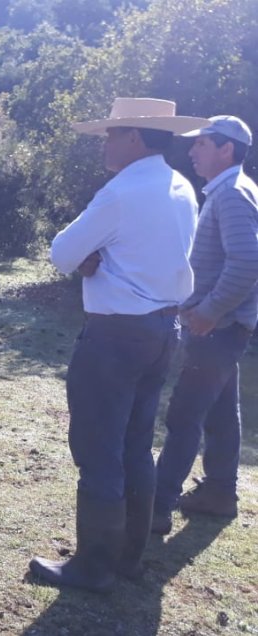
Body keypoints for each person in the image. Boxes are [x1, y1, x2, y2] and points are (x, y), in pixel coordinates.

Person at [29, 98, 209, 592]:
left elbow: (62, 252)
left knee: (98, 449)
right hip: (162, 331)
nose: (105, 144)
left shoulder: (122, 190)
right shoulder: (181, 187)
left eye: (111, 134)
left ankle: (93, 566)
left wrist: (93, 257)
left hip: (114, 336)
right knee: (135, 445)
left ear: (133, 136)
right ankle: (129, 557)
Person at [152, 116, 258, 534]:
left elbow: (249, 261)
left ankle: (156, 507)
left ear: (226, 149)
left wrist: (210, 310)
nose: (192, 152)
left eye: (202, 145)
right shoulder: (233, 191)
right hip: (225, 328)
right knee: (220, 413)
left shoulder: (232, 194)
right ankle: (218, 492)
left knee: (184, 416)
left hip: (217, 329)